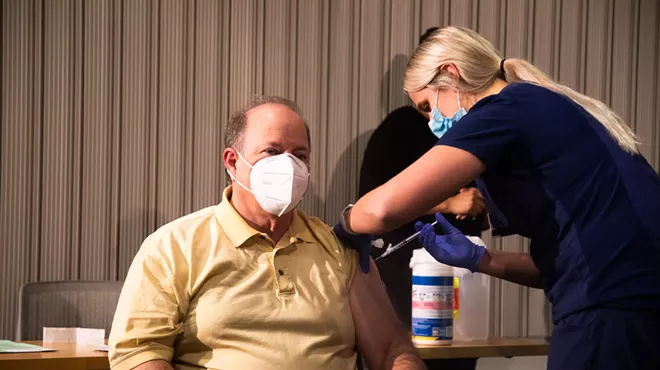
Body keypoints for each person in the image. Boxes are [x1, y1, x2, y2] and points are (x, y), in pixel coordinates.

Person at [334, 26, 660, 370]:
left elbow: (381, 210)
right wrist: (479, 258)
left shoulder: (502, 110)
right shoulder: (548, 106)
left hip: (610, 312)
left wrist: (339, 232)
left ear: (449, 72)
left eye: (428, 106)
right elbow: (560, 266)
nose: (432, 124)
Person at [109, 95, 426, 370]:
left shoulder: (338, 248)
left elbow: (390, 349)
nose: (288, 166)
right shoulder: (173, 247)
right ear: (233, 162)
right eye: (272, 152)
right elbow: (139, 354)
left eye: (299, 155)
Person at [359, 27, 486, 370]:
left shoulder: (479, 130)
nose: (434, 121)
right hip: (406, 273)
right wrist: (448, 204)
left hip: (461, 271)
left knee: (459, 357)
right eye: (424, 108)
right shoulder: (398, 129)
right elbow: (373, 201)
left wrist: (480, 203)